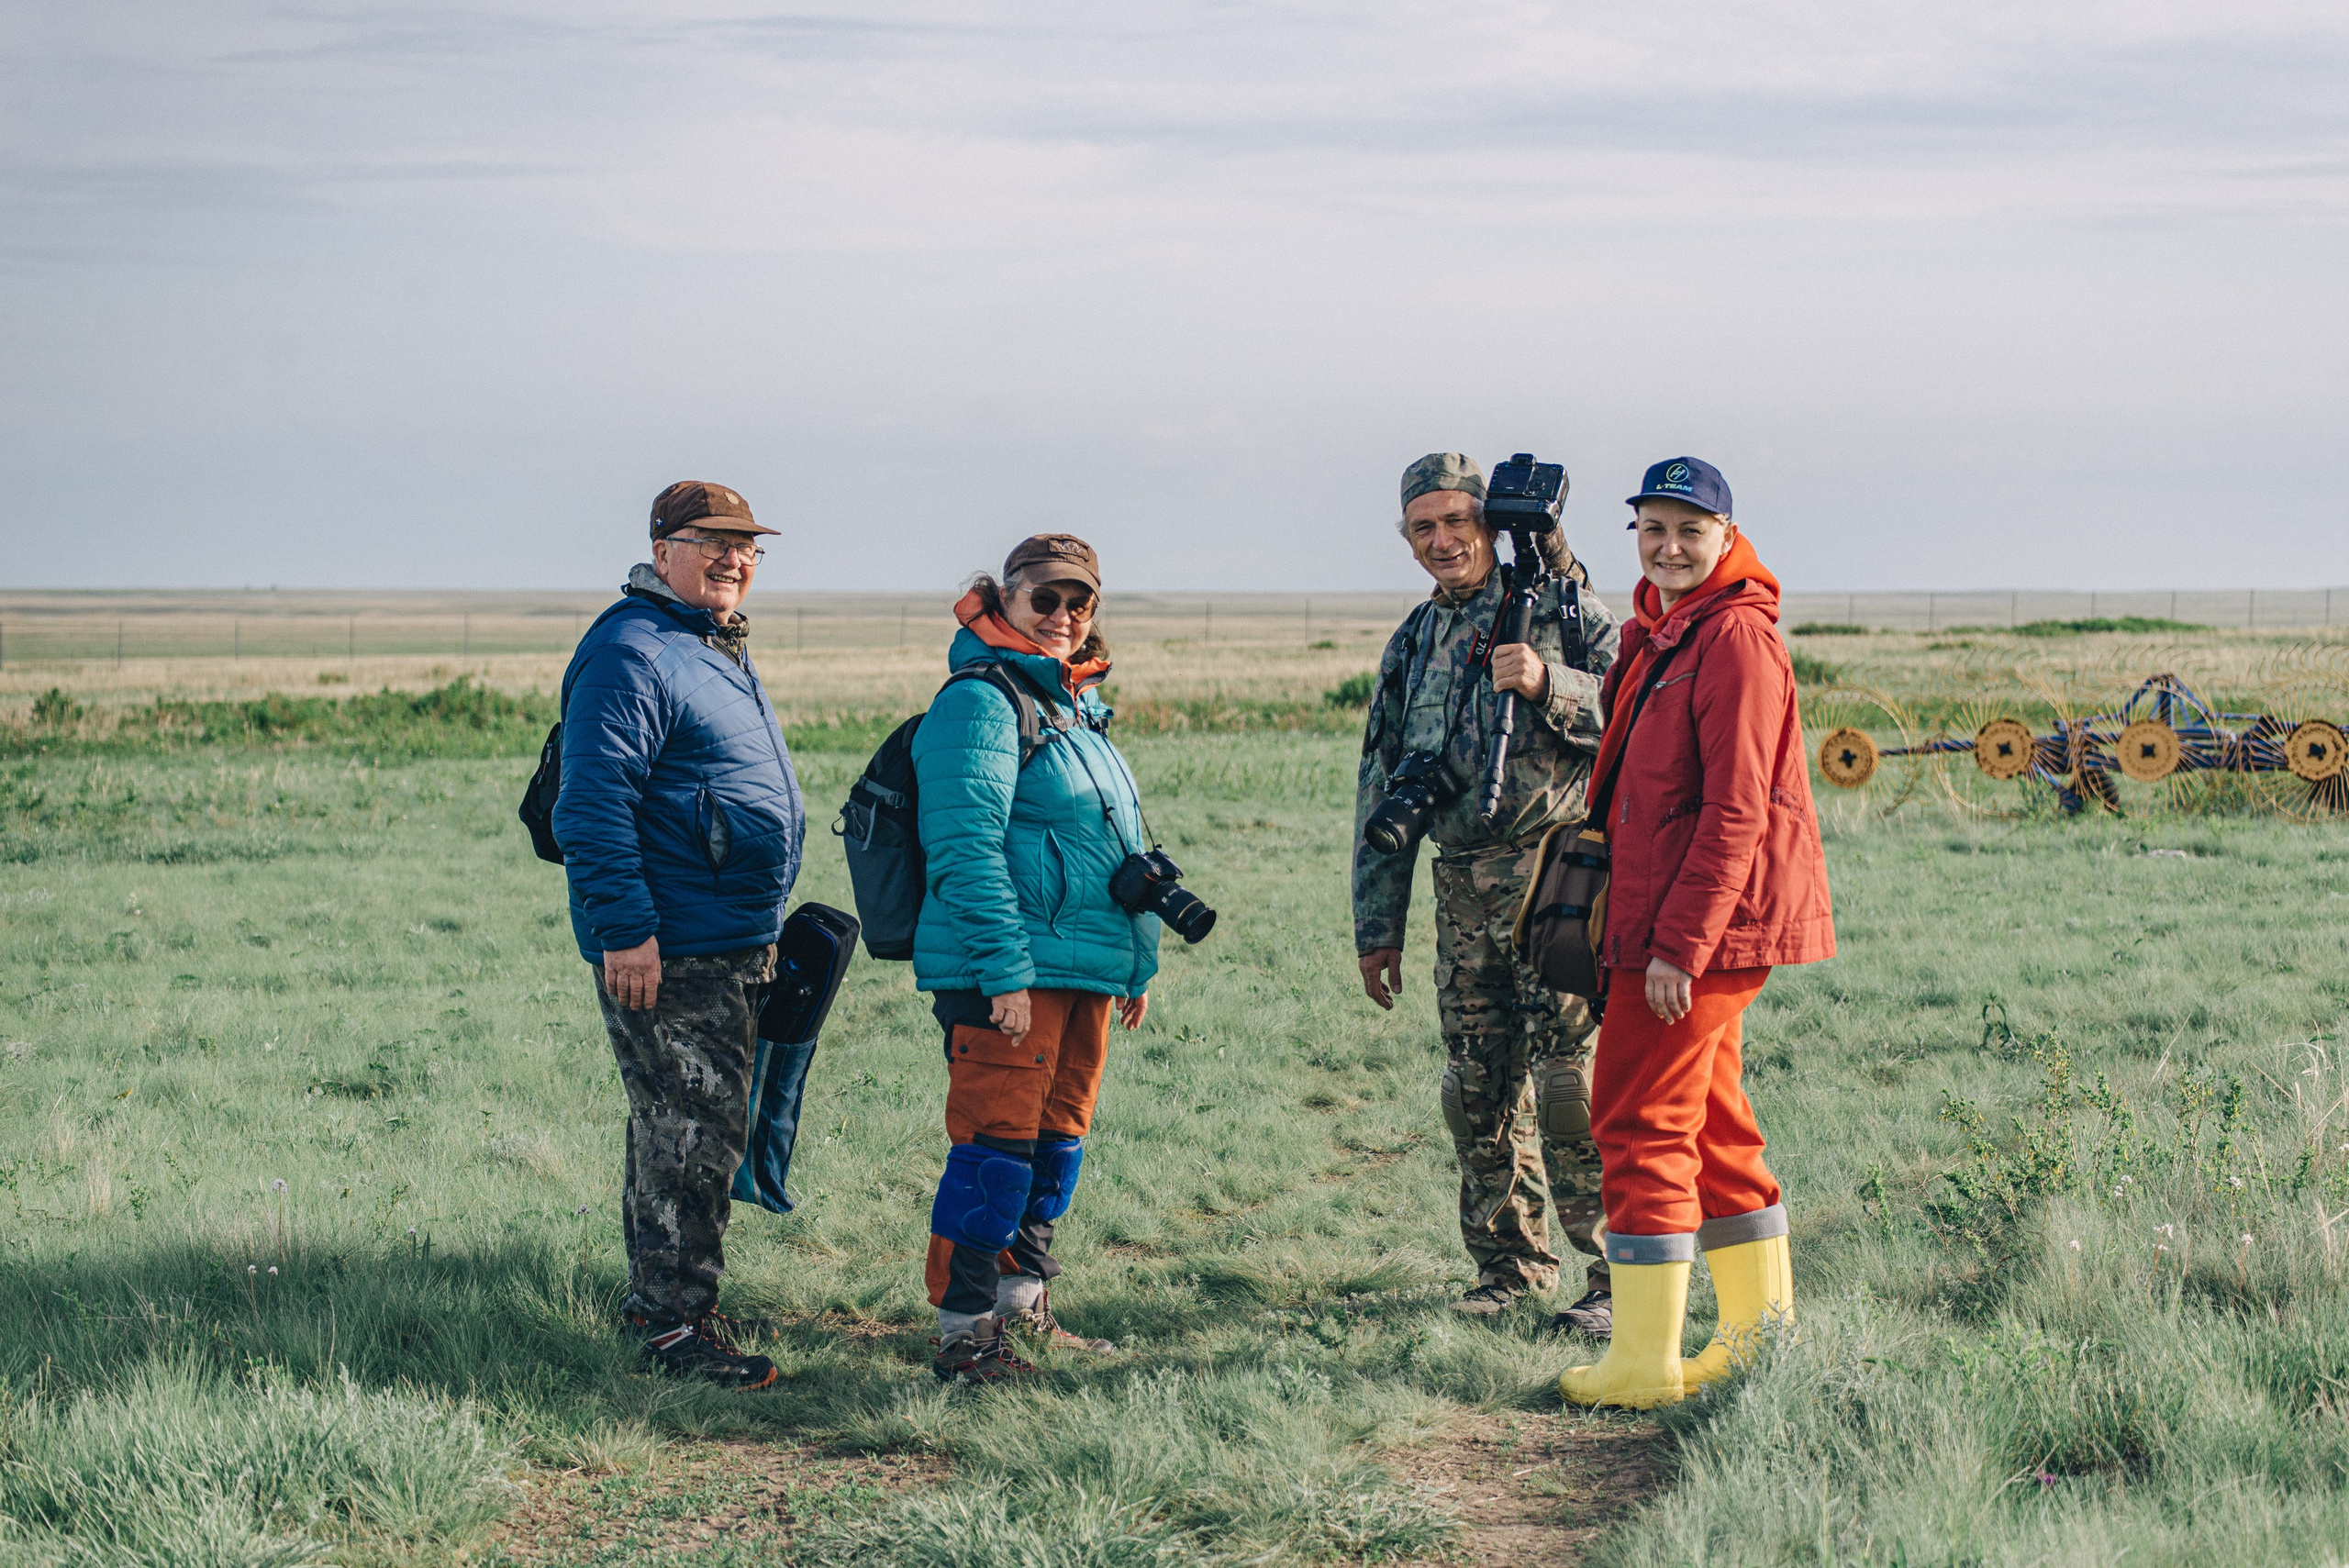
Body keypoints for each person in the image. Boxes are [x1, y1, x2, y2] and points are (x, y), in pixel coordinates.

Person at [1558, 457, 1835, 1410]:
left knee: (1637, 1121)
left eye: (1689, 529)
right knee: (1713, 1126)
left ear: (1726, 532)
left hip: (1694, 931)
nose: (1669, 546)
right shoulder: (1663, 631)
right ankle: (1758, 1340)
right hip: (1665, 918)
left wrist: (1681, 943)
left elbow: (1736, 811)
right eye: (1652, 528)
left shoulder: (1734, 643)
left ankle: (1641, 1362)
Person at [1353, 452, 1622, 1330]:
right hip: (1460, 888)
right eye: (1423, 527)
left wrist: (1551, 686)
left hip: (1557, 877)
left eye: (1456, 522)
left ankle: (1621, 1279)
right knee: (1476, 1087)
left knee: (1570, 1085)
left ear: (1488, 525)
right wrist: (1376, 923)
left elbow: (1630, 710)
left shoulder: (1560, 610)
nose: (1442, 540)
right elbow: (1379, 783)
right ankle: (1510, 1270)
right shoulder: (1412, 643)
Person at [552, 480, 805, 1392]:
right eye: (712, 542)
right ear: (662, 549)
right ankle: (672, 1329)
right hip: (671, 945)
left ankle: (670, 1301)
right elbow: (593, 803)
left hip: (732, 936)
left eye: (746, 547)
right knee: (689, 1133)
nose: (733, 559)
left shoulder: (709, 644)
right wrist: (625, 931)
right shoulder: (633, 650)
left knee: (688, 1126)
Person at [912, 533, 1156, 1383]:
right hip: (1012, 972)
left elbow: (1121, 845)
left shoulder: (1075, 706)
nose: (1061, 616)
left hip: (1080, 968)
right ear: (1004, 597)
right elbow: (964, 848)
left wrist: (1138, 963)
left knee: (1055, 1147)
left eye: (1077, 602)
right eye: (1043, 598)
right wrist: (1002, 971)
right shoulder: (981, 702)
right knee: (994, 1151)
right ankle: (964, 1331)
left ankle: (1021, 1309)